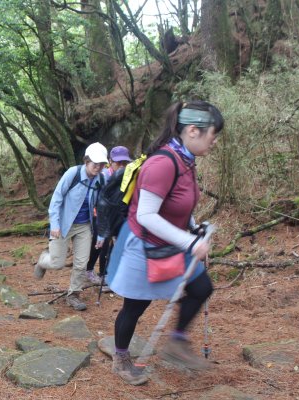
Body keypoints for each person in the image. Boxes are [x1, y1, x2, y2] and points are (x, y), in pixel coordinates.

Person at [107, 101, 223, 385]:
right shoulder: (162, 163)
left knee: (201, 286)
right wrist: (190, 242)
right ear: (193, 131)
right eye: (213, 134)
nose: (215, 141)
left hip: (173, 241)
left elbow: (178, 203)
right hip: (145, 246)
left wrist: (195, 228)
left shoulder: (186, 161)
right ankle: (120, 358)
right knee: (135, 307)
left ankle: (176, 343)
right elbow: (146, 215)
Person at [34, 142, 108, 311]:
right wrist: (55, 223)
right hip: (63, 223)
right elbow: (56, 199)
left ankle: (73, 294)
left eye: (101, 164)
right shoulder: (72, 174)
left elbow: (103, 207)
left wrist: (102, 233)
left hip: (84, 226)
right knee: (57, 263)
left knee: (82, 264)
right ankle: (42, 261)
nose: (98, 167)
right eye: (95, 163)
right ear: (86, 161)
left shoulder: (101, 179)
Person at [86, 146, 132, 284]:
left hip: (117, 215)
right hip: (100, 215)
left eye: (124, 163)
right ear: (110, 161)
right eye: (118, 163)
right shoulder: (104, 176)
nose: (121, 166)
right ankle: (89, 270)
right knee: (101, 244)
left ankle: (105, 273)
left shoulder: (128, 176)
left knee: (113, 245)